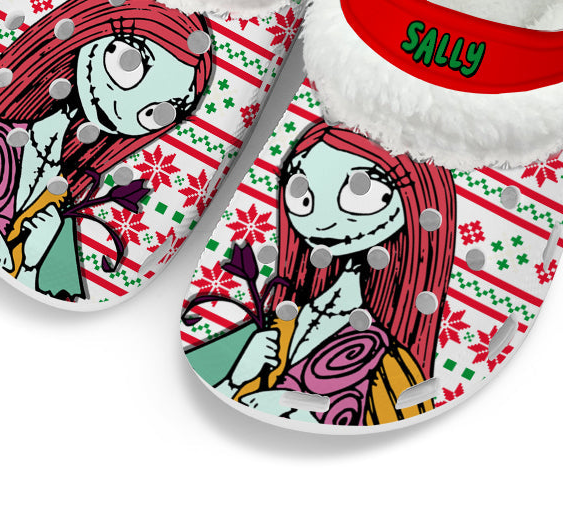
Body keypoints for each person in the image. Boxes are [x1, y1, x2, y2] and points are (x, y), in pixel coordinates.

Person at [0, 0, 213, 300]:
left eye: (158, 111)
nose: (126, 108)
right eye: (129, 62)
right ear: (92, 28)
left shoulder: (63, 199)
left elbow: (51, 288)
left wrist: (31, 259)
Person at [185, 121, 456, 425]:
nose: (323, 222)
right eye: (301, 193)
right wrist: (237, 378)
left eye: (361, 189)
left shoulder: (390, 359)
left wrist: (295, 408)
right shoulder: (278, 324)